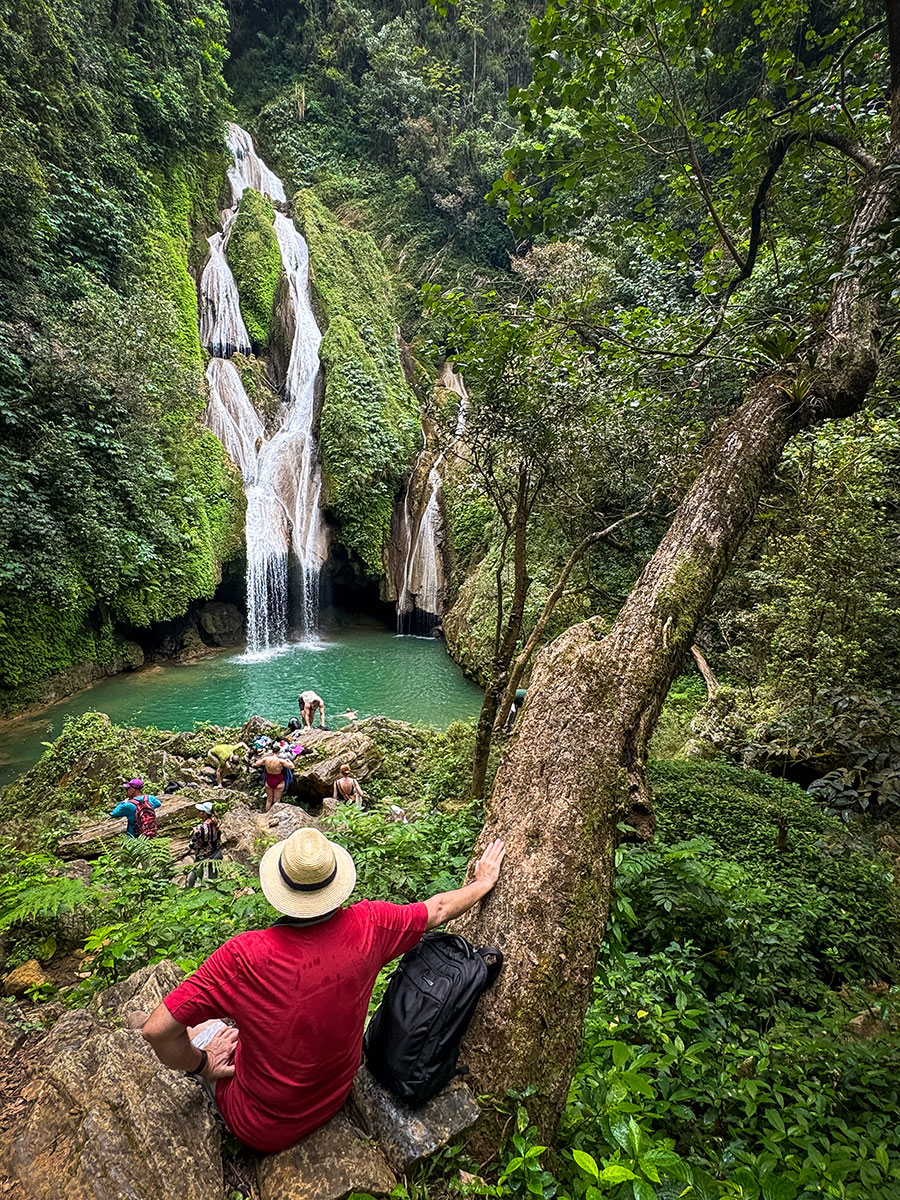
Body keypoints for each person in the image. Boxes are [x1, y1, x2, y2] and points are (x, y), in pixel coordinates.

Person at [141, 827, 506, 1154]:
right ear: (335, 884)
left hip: (260, 1125)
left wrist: (202, 1063)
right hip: (332, 1097)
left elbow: (158, 1031)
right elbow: (438, 909)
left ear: (278, 890)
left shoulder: (244, 957)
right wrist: (482, 883)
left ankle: (141, 1022)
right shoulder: (371, 925)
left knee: (178, 1026)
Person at [186, 802, 223, 888]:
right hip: (215, 852)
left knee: (194, 872)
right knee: (213, 874)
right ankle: (214, 891)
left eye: (200, 811)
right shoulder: (216, 824)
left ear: (204, 813)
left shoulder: (200, 828)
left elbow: (194, 843)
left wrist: (191, 847)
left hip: (202, 855)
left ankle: (188, 889)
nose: (198, 812)